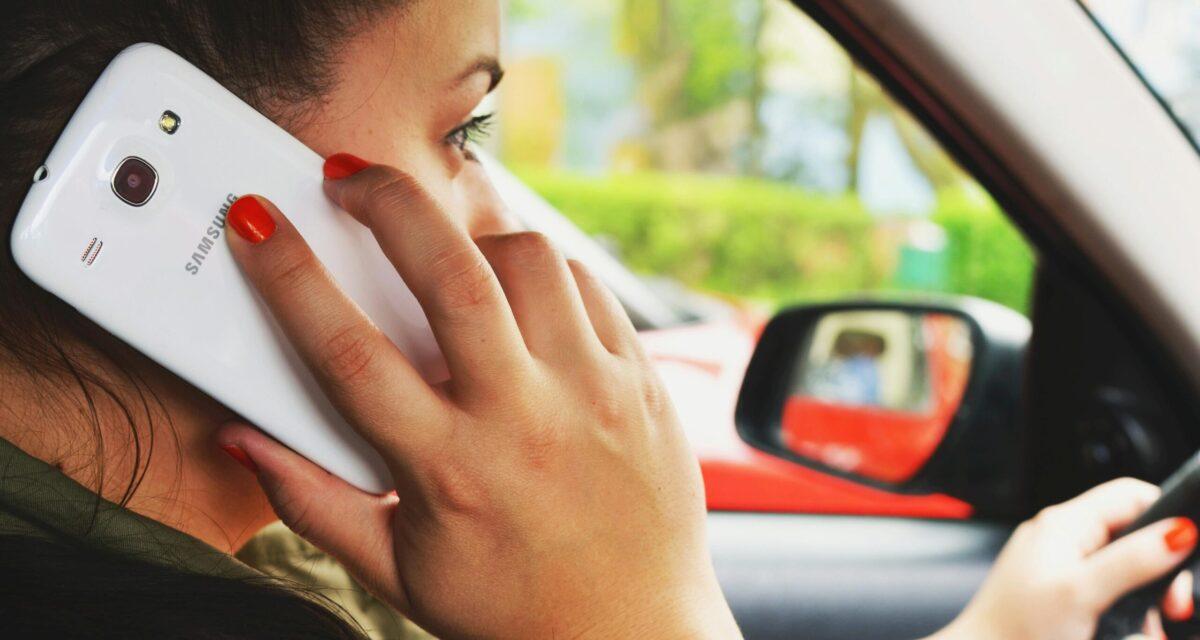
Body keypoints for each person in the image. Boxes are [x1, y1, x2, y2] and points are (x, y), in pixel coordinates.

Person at [0, 2, 1195, 638]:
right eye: (465, 132)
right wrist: (640, 618)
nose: (517, 233)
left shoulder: (263, 552)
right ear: (210, 173)